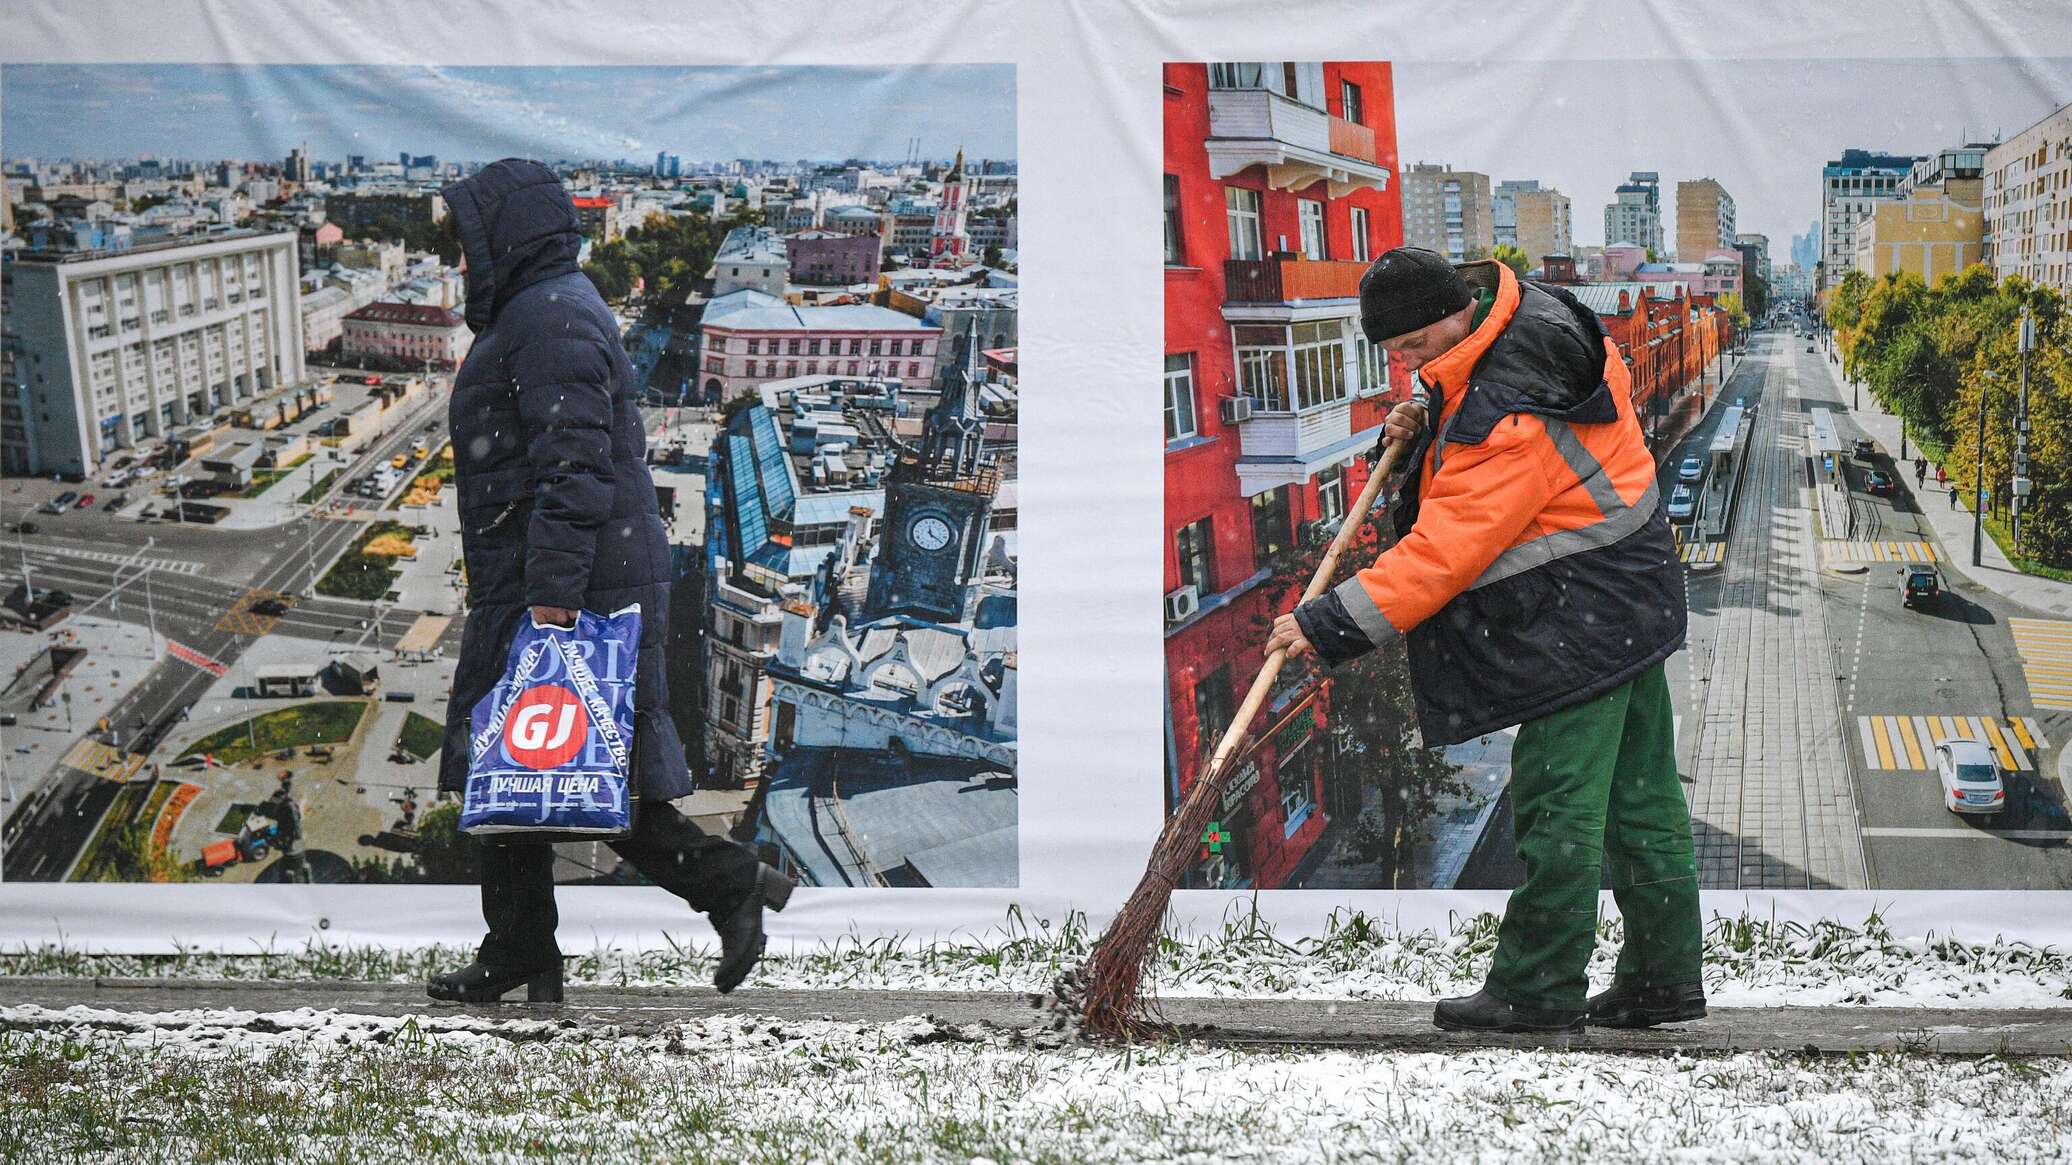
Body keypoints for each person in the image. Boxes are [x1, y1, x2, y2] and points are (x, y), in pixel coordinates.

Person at [1265, 248, 1701, 1035]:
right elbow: (1492, 426)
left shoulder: (1504, 411)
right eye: (1395, 355)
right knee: (1641, 800)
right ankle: (1663, 975)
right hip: (1627, 593)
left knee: (1558, 805)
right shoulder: (1531, 320)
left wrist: (1323, 621)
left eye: (1413, 349)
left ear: (1449, 316)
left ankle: (1538, 986)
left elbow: (1442, 552)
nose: (1405, 365)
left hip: (1583, 618)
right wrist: (1429, 411)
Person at [427, 158, 791, 1005]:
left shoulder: (548, 317)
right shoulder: (541, 306)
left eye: (468, 243)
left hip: (565, 579)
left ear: (504, 237)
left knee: (581, 775)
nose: (460, 261)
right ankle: (522, 948)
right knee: (520, 770)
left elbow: (576, 468)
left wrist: (550, 594)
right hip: (550, 568)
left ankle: (729, 882)